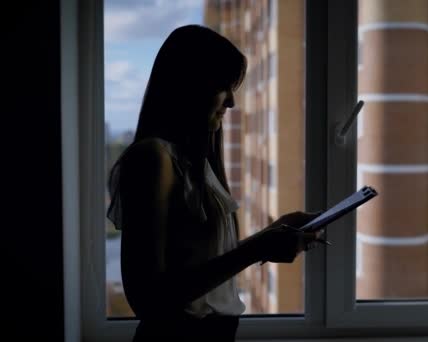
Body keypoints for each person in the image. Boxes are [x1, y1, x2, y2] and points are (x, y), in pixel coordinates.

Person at [106, 25, 324, 341]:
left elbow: (199, 263)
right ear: (190, 86)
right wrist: (257, 248)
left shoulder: (193, 161)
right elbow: (149, 297)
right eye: (223, 86)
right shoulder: (154, 158)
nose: (232, 102)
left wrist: (273, 232)